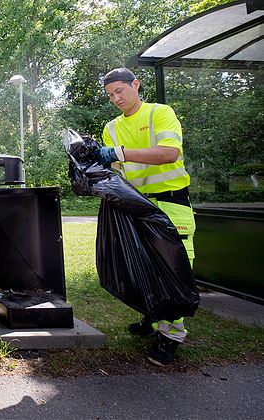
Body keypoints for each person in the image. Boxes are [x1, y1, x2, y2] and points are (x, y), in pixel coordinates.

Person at [95, 67, 196, 366]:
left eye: (120, 91)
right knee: (142, 265)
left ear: (135, 85)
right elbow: (116, 174)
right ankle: (153, 319)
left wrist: (120, 153)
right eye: (110, 95)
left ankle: (171, 337)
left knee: (173, 269)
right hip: (136, 206)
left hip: (170, 203)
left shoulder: (159, 114)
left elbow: (169, 154)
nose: (116, 99)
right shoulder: (111, 128)